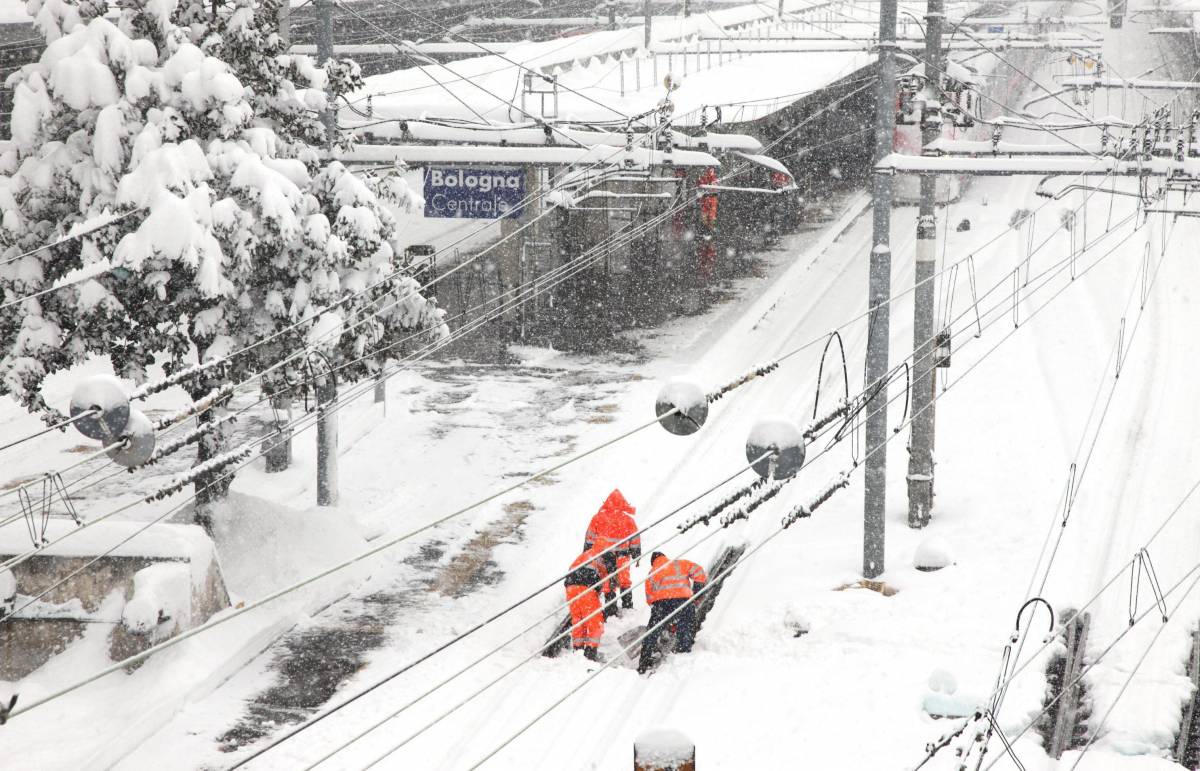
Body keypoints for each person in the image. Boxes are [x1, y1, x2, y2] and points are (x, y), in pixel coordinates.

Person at [638, 552, 708, 674]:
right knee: (686, 625)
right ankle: (683, 654)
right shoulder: (679, 564)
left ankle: (644, 660)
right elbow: (699, 571)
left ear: (653, 562)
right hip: (683, 601)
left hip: (661, 604)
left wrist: (660, 614)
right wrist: (697, 591)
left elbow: (650, 599)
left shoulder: (652, 573)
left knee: (652, 631)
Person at [584, 489, 641, 615]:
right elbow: (635, 539)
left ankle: (610, 608)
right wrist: (636, 554)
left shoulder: (597, 518)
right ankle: (627, 605)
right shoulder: (628, 520)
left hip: (603, 557)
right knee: (624, 580)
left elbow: (590, 537)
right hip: (622, 556)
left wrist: (587, 553)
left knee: (608, 581)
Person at [564, 545, 610, 662]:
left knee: (578, 620)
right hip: (586, 586)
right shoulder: (606, 555)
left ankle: (578, 651)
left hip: (571, 587)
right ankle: (590, 652)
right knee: (596, 621)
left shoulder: (586, 555)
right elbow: (607, 577)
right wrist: (607, 592)